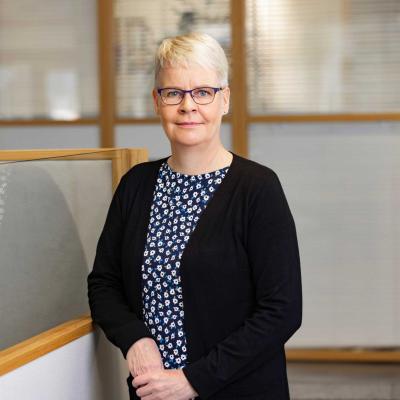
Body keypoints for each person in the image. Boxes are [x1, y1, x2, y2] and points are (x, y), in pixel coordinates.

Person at [87, 32, 302, 400]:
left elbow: (282, 311)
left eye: (203, 92)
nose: (188, 106)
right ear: (157, 101)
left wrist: (193, 380)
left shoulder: (257, 188)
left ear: (225, 99)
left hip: (239, 391)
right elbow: (104, 283)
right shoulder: (136, 185)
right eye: (174, 93)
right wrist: (134, 339)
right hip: (153, 390)